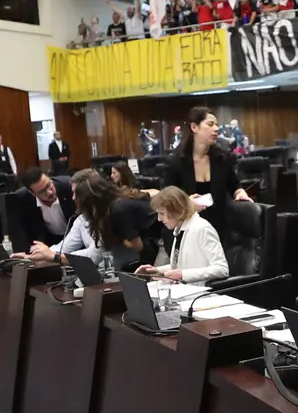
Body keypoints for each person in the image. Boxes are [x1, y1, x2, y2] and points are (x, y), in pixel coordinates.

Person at [162, 106, 253, 248]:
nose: (216, 129)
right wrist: (186, 203)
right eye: (210, 124)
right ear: (194, 127)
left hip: (219, 231)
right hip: (187, 232)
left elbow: (235, 186)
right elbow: (167, 199)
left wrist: (240, 192)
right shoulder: (175, 163)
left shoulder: (223, 158)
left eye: (216, 125)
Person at [137, 186, 229, 283]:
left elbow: (222, 269)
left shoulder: (202, 228)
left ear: (177, 210)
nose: (159, 219)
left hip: (201, 290)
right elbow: (183, 266)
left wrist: (183, 275)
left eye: (162, 213)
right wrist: (157, 270)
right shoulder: (180, 229)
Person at [75, 168, 162, 271]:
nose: (73, 198)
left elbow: (137, 246)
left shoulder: (118, 210)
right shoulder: (118, 200)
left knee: (156, 276)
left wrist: (119, 237)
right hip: (155, 239)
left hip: (164, 237)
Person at [9, 167, 75, 256]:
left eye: (49, 185)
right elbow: (21, 230)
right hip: (47, 241)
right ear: (32, 193)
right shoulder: (22, 198)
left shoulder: (68, 186)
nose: (50, 192)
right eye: (42, 191)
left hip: (74, 236)